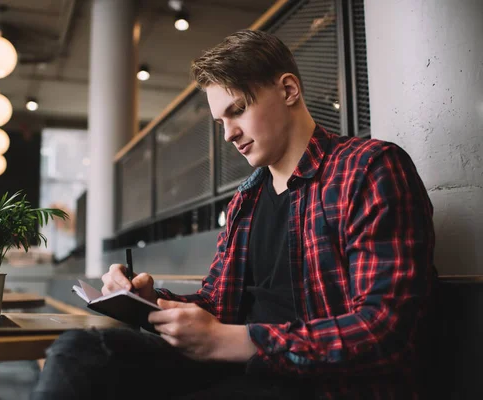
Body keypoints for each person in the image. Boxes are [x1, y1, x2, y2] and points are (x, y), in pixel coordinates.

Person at [31, 29, 437, 400]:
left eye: (238, 110)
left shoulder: (369, 169)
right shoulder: (246, 201)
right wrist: (148, 301)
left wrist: (237, 342)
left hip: (322, 385)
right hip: (235, 370)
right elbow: (217, 306)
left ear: (289, 89)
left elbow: (384, 329)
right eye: (220, 120)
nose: (228, 134)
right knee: (80, 350)